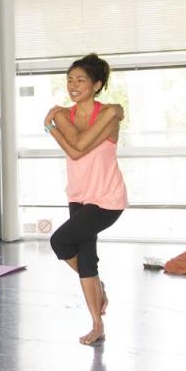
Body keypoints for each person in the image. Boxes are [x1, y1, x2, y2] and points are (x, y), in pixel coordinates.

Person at [44, 53, 126, 346]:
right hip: (78, 196)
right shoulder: (65, 115)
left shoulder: (110, 113)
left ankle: (97, 288)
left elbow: (77, 147)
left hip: (107, 200)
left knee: (59, 241)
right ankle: (97, 324)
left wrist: (52, 128)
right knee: (87, 259)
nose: (73, 85)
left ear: (96, 84)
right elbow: (77, 149)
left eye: (80, 80)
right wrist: (54, 127)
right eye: (69, 80)